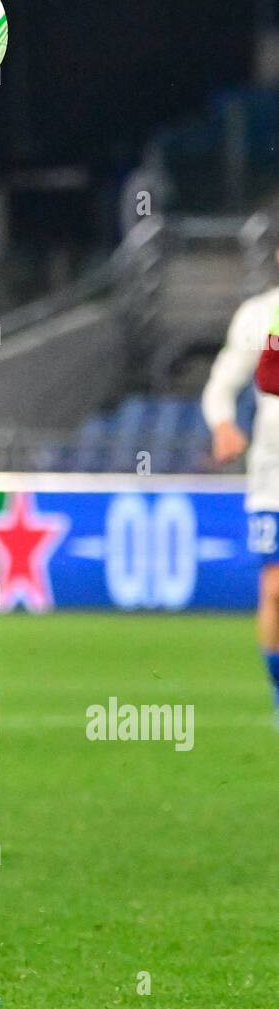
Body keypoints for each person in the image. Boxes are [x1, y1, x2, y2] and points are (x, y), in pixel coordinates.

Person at [202, 265, 279, 715]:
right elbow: (226, 382)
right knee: (275, 590)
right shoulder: (262, 314)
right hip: (274, 475)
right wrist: (224, 424)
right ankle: (277, 688)